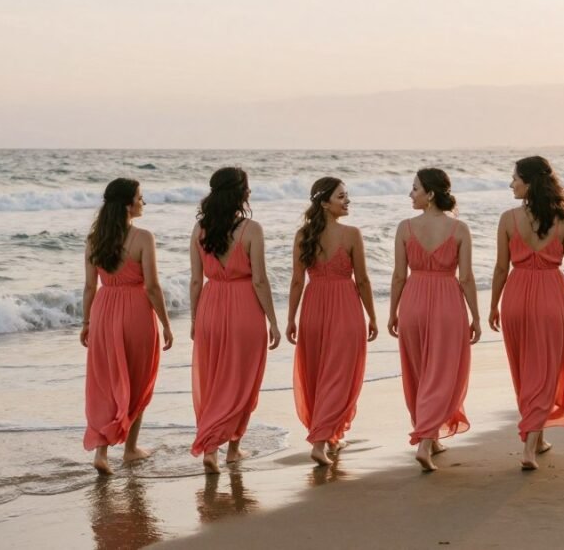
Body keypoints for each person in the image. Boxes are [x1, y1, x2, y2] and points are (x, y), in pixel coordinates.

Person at [489, 156, 564, 471]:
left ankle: (535, 437)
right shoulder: (563, 221)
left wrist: (494, 304)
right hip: (552, 296)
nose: (511, 184)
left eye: (515, 178)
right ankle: (529, 446)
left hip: (517, 296)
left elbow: (500, 268)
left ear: (529, 182)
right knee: (546, 369)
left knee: (525, 370)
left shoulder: (508, 219)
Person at [388, 168, 481, 471]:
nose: (410, 194)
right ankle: (426, 442)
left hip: (413, 302)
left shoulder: (405, 228)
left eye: (415, 189)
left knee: (418, 371)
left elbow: (399, 275)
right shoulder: (459, 229)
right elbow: (465, 277)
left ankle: (431, 436)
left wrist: (393, 311)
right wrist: (476, 316)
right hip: (447, 303)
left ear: (430, 194)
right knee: (443, 373)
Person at [189, 166, 281, 474]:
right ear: (240, 193)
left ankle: (211, 448)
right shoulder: (251, 229)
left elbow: (194, 281)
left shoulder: (199, 230)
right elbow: (259, 281)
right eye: (247, 187)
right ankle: (232, 449)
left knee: (213, 378)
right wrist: (273, 320)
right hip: (245, 310)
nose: (250, 192)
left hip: (210, 308)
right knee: (243, 381)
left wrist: (194, 319)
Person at [81, 178, 173, 475]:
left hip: (104, 312)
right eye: (140, 198)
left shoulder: (94, 240)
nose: (143, 203)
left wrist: (86, 322)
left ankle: (101, 452)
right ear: (127, 205)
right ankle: (131, 449)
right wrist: (166, 323)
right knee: (140, 379)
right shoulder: (144, 238)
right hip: (135, 312)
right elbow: (153, 287)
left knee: (106, 382)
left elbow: (88, 287)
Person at [286, 177, 378, 466]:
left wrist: (291, 318)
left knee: (317, 373)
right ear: (324, 202)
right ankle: (321, 440)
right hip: (345, 308)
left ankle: (330, 435)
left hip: (313, 307)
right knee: (340, 374)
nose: (347, 200)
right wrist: (372, 315)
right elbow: (362, 280)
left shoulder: (303, 235)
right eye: (341, 196)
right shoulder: (351, 234)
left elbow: (297, 281)